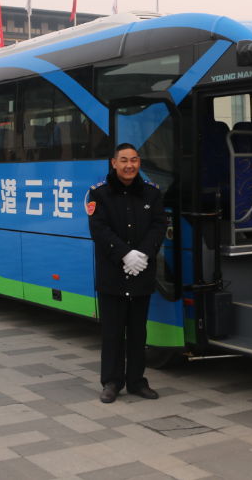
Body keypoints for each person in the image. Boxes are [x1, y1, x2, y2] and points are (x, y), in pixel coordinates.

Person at [87, 143, 168, 404]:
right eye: (123, 160)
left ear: (139, 162)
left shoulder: (151, 194)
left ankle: (136, 381)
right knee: (112, 332)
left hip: (141, 272)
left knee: (137, 331)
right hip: (113, 273)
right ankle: (111, 382)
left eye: (134, 160)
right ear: (114, 163)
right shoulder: (99, 194)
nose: (129, 165)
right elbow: (99, 230)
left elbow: (159, 225)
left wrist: (142, 254)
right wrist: (125, 255)